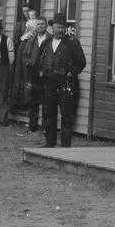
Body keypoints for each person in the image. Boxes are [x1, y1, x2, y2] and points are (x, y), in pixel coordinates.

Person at [38, 13, 86, 148]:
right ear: (52, 28)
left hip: (66, 83)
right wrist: (42, 73)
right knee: (49, 113)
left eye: (62, 28)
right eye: (58, 27)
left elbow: (81, 62)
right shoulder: (46, 43)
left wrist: (72, 72)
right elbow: (39, 61)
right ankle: (50, 143)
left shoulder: (72, 43)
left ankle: (65, 146)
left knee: (66, 114)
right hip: (49, 83)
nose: (60, 30)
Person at [22, 16, 51, 132]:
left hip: (45, 74)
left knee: (45, 101)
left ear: (46, 26)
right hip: (32, 73)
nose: (40, 26)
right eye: (38, 24)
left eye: (42, 24)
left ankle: (45, 126)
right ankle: (32, 125)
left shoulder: (50, 39)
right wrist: (28, 62)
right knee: (32, 100)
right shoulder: (32, 39)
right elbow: (24, 54)